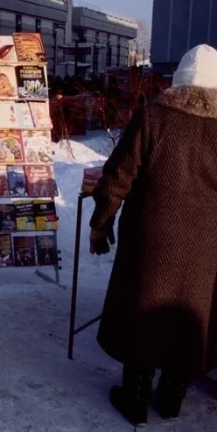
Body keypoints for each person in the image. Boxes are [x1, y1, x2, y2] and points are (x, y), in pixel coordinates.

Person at [88, 44, 217, 427]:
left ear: (178, 80)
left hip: (153, 237)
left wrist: (101, 224)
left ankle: (135, 399)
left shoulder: (154, 117)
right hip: (209, 244)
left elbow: (118, 177)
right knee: (192, 316)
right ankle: (172, 399)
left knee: (143, 311)